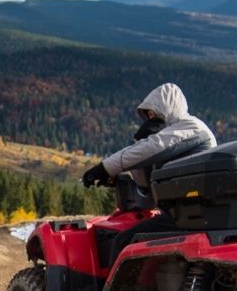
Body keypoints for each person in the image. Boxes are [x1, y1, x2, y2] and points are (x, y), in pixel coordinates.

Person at [81, 82, 216, 212]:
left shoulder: (192, 127)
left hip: (196, 210)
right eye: (149, 116)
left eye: (153, 114)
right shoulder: (170, 141)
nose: (151, 120)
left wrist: (105, 168)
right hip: (182, 210)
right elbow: (147, 185)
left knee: (129, 236)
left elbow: (149, 149)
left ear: (167, 109)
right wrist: (116, 178)